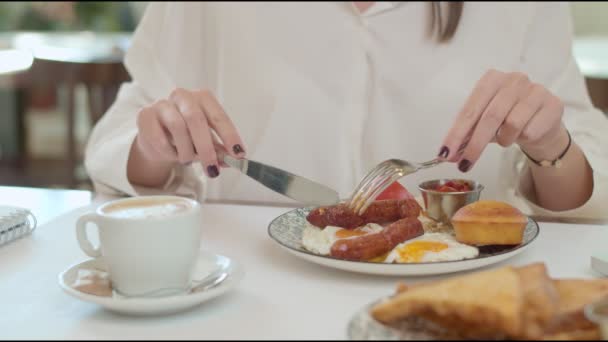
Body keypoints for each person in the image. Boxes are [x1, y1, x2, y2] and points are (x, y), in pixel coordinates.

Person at [85, 2, 608, 219]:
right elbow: (116, 145)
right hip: (245, 305)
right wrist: (156, 145)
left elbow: (588, 189)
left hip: (461, 295)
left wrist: (550, 147)